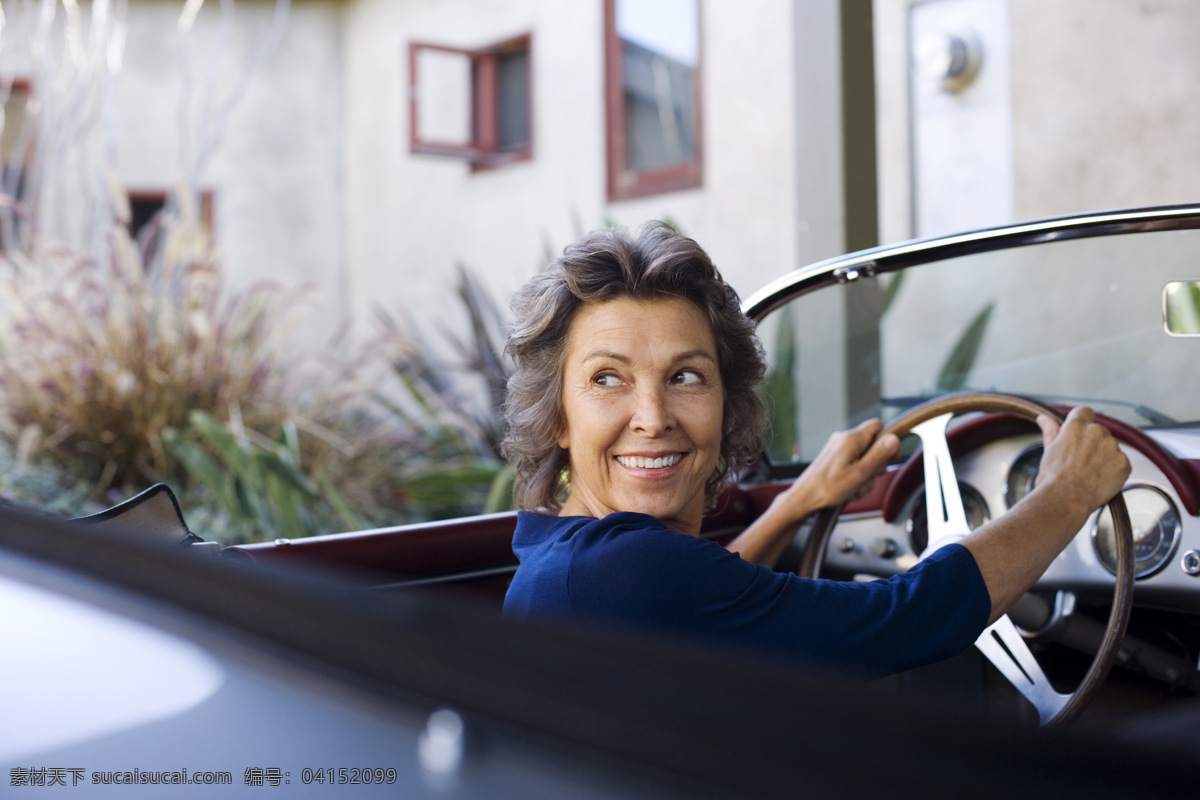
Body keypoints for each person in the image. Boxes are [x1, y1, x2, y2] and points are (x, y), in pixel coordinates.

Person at [501, 221, 1130, 676]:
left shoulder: (566, 559)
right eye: (607, 379)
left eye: (685, 375)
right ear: (556, 415)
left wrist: (801, 502)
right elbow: (904, 618)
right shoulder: (623, 572)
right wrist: (1067, 494)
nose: (653, 417)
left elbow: (715, 602)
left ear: (727, 400)